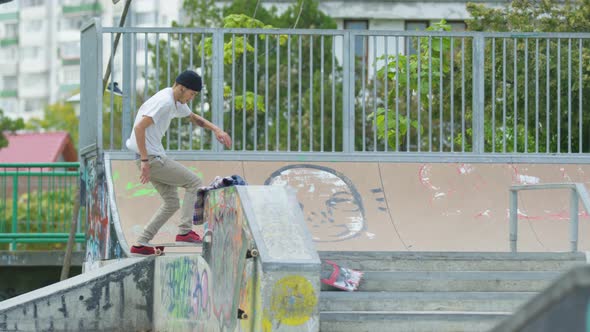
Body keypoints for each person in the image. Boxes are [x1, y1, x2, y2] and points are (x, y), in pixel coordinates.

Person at [125, 70, 232, 255]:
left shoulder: (175, 100)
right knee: (194, 182)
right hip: (151, 159)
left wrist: (217, 130)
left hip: (151, 157)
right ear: (181, 88)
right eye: (192, 94)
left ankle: (140, 244)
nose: (192, 98)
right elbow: (139, 128)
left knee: (172, 202)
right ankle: (184, 231)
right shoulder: (164, 103)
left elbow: (194, 118)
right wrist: (144, 161)